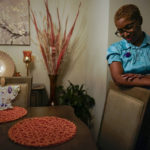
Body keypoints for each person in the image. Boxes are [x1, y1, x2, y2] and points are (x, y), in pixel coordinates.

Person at [107, 4, 150, 87]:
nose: (126, 34)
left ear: (140, 21)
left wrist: (143, 77)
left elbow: (123, 79)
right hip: (131, 98)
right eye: (121, 31)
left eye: (129, 27)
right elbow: (118, 79)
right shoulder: (115, 49)